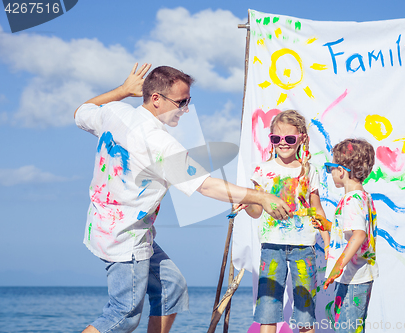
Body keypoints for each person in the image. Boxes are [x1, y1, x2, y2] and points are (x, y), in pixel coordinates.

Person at [74, 63, 292, 333]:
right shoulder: (159, 142)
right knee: (124, 314)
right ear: (156, 99)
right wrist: (260, 196)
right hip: (124, 240)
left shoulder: (115, 112)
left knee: (172, 289)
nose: (186, 109)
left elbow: (81, 110)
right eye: (181, 102)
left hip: (108, 227)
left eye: (188, 101)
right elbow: (206, 186)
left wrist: (121, 91)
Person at [241, 110, 330, 333]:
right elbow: (256, 212)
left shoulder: (309, 171)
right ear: (271, 139)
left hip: (304, 248)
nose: (283, 143)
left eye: (289, 139)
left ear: (301, 138)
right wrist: (246, 204)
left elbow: (317, 210)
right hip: (272, 247)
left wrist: (328, 242)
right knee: (268, 309)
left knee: (306, 311)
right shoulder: (262, 170)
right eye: (276, 139)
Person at [314, 138, 378, 333]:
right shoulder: (363, 197)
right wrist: (329, 226)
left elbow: (358, 235)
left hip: (353, 279)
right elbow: (351, 231)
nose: (330, 173)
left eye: (330, 167)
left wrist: (337, 267)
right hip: (355, 277)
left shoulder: (352, 200)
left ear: (341, 170)